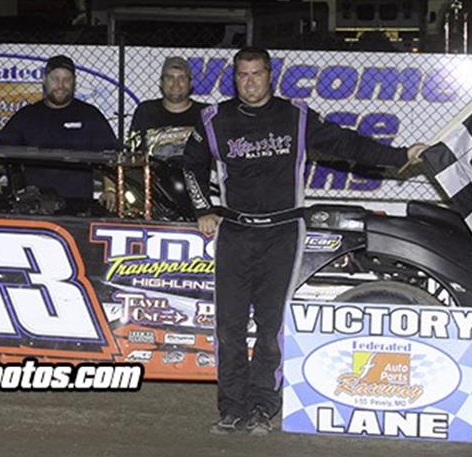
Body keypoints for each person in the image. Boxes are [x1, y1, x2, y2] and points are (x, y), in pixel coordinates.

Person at [181, 47, 425, 435]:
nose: (249, 83)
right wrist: (201, 209)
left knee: (270, 325)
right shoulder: (214, 119)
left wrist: (399, 155)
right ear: (235, 79)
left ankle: (262, 407)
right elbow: (189, 163)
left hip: (282, 233)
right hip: (235, 234)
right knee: (228, 326)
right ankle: (231, 408)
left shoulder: (295, 115)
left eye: (257, 74)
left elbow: (345, 143)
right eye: (242, 76)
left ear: (270, 75)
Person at [0, 54, 120, 203]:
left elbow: (110, 155)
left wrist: (110, 190)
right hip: (33, 205)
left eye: (67, 80)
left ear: (74, 82)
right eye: (55, 79)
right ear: (44, 80)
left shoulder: (90, 115)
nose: (61, 85)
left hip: (79, 205)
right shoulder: (27, 116)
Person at [128, 55, 202, 158]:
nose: (176, 84)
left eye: (182, 78)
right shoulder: (146, 111)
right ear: (161, 83)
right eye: (170, 78)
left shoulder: (205, 113)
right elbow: (133, 154)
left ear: (190, 83)